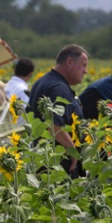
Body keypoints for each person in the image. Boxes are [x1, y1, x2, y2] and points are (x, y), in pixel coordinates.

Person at [27, 44, 89, 178]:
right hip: (59, 166)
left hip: (44, 161)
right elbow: (53, 124)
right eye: (83, 65)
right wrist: (72, 150)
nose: (86, 71)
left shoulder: (42, 81)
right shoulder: (58, 88)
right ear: (70, 62)